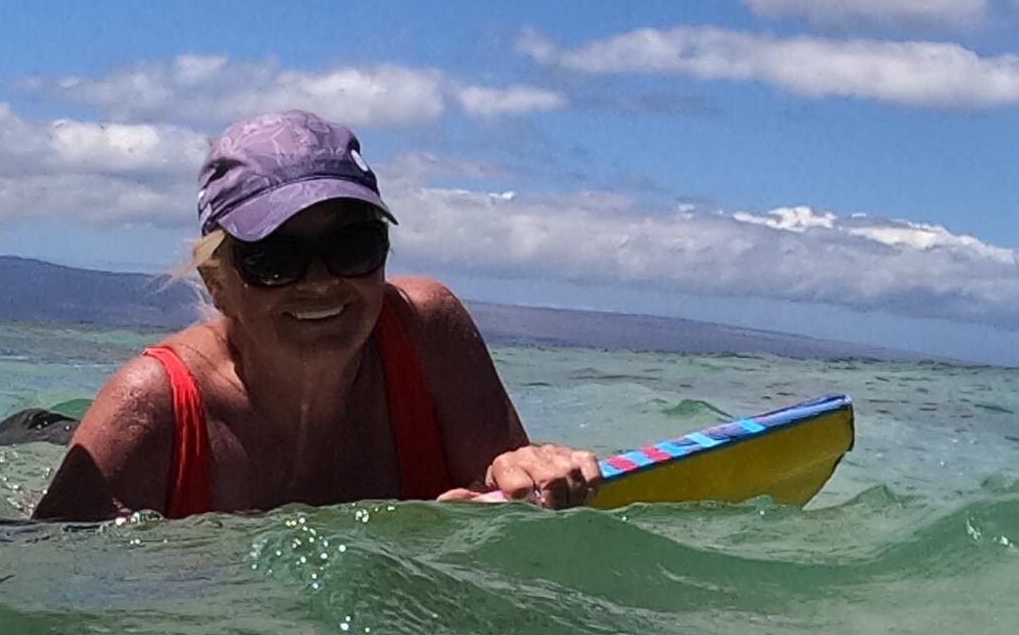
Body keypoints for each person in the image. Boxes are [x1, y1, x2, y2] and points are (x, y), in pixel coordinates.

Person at [32, 110, 602, 521]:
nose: (321, 282)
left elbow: (508, 505)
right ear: (219, 282)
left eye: (352, 246)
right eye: (276, 259)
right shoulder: (153, 404)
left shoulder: (428, 333)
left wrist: (519, 486)